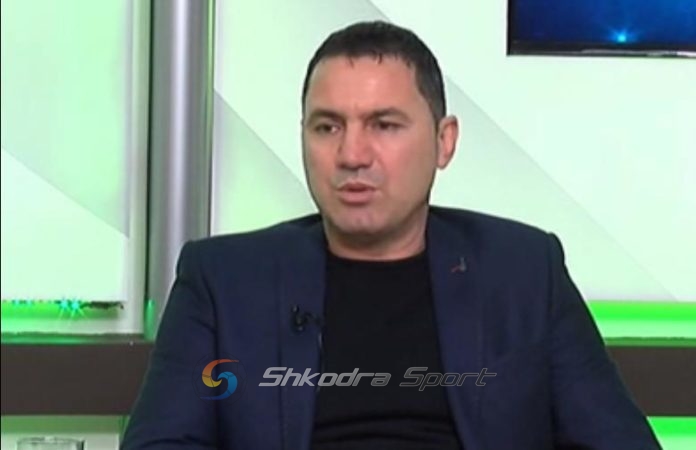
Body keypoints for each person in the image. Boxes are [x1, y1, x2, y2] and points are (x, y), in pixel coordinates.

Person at [122, 21, 660, 449]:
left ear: (444, 141)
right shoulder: (223, 281)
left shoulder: (524, 271)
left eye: (384, 125)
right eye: (327, 127)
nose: (352, 155)